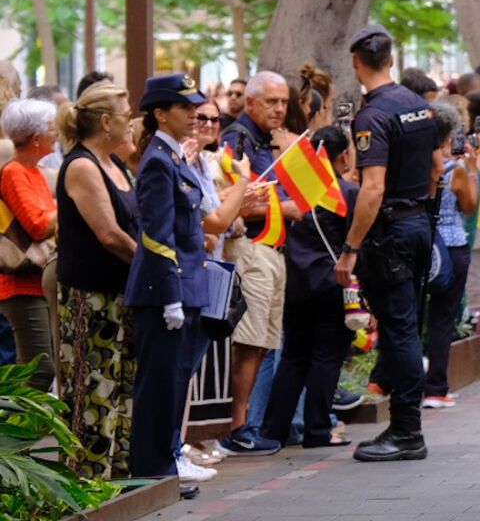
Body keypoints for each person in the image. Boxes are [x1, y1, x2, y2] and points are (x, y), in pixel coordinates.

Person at [335, 25, 440, 463]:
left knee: (397, 330)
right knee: (408, 325)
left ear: (357, 64)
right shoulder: (419, 105)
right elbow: (436, 168)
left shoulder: (372, 116)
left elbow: (372, 188)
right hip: (417, 223)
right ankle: (406, 426)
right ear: (391, 60)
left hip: (392, 232)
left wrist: (350, 247)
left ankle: (406, 430)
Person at [123, 75, 209, 480]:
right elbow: (157, 237)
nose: (194, 114)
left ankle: (168, 458)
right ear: (160, 114)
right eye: (184, 107)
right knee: (159, 385)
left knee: (175, 382)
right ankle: (154, 468)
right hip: (164, 290)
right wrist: (171, 295)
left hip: (183, 286)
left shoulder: (173, 157)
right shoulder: (158, 161)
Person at [54, 82, 139, 477]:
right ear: (106, 122)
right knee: (93, 389)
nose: (132, 122)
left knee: (121, 385)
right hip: (92, 298)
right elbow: (109, 234)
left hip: (122, 294)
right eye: (125, 116)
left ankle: (118, 473)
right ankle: (87, 479)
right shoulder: (83, 165)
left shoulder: (115, 163)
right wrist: (151, 263)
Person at [215, 70, 300, 453]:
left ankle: (250, 423)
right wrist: (282, 205)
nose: (280, 109)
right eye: (271, 102)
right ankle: (239, 427)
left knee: (264, 342)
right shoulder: (237, 139)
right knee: (250, 341)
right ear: (250, 103)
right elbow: (236, 203)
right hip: (251, 247)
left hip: (273, 248)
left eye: (283, 102)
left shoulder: (266, 140)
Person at [260, 126, 360, 450]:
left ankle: (273, 430)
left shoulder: (292, 196)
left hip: (295, 283)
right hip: (333, 283)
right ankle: (318, 429)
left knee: (293, 358)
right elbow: (357, 243)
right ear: (343, 155)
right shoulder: (344, 194)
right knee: (326, 358)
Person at [0, 98, 60, 394]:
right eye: (52, 128)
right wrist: (74, 203)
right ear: (36, 138)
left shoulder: (33, 172)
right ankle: (14, 431)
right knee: (40, 370)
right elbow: (37, 224)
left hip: (36, 281)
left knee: (38, 367)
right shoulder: (14, 172)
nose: (57, 133)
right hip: (20, 283)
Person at [423, 104, 479, 407]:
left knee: (412, 315)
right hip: (452, 245)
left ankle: (385, 381)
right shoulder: (453, 170)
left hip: (423, 243)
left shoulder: (418, 165)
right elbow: (470, 205)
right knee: (443, 319)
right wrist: (471, 168)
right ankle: (436, 388)